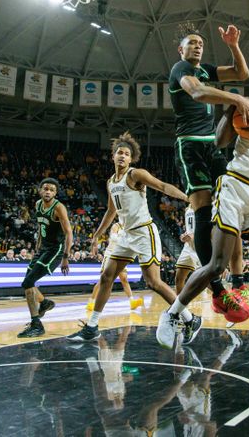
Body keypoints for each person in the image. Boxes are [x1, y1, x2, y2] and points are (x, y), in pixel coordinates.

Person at [158, 78, 249, 387]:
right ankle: (173, 314)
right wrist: (230, 109)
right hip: (234, 186)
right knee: (217, 264)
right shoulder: (247, 111)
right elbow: (220, 142)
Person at [169, 23, 249, 322]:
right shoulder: (181, 69)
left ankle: (238, 283)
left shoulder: (206, 69)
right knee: (205, 212)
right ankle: (219, 292)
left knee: (231, 206)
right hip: (191, 146)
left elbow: (241, 74)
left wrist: (234, 45)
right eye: (192, 43)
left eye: (201, 43)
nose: (198, 46)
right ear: (181, 50)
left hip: (212, 147)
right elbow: (195, 93)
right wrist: (237, 99)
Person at [68, 132, 191, 343]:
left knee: (153, 282)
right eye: (119, 153)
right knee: (107, 276)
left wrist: (187, 198)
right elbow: (110, 211)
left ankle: (189, 318)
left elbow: (162, 186)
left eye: (126, 154)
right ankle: (92, 326)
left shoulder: (135, 175)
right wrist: (97, 235)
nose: (122, 156)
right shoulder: (110, 182)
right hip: (125, 234)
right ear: (113, 156)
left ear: (131, 158)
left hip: (144, 231)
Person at [17, 179, 72, 337]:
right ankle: (45, 303)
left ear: (55, 193)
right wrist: (38, 246)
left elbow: (69, 232)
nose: (48, 192)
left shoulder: (59, 208)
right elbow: (41, 227)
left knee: (27, 282)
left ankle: (36, 325)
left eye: (52, 190)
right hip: (43, 248)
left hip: (56, 249)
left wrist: (65, 257)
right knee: (28, 281)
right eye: (45, 189)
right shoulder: (37, 205)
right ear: (40, 190)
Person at [86, 223, 142, 311]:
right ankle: (91, 302)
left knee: (124, 279)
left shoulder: (129, 227)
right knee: (103, 281)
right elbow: (113, 237)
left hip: (120, 255)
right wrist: (127, 240)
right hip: (110, 254)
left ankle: (132, 302)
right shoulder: (116, 226)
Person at [174, 204, 200, 294]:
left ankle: (227, 302)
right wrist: (183, 236)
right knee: (179, 278)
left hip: (200, 245)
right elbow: (190, 227)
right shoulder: (187, 209)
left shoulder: (204, 204)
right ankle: (179, 307)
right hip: (188, 246)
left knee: (207, 281)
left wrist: (195, 235)